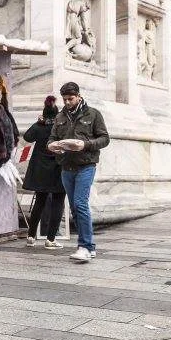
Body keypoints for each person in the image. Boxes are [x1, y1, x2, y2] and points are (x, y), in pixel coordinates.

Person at [48, 82, 110, 263]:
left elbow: (105, 139)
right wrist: (52, 146)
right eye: (64, 99)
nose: (67, 102)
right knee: (75, 207)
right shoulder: (60, 117)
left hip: (86, 166)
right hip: (66, 167)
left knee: (80, 203)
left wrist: (86, 144)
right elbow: (52, 138)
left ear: (78, 96)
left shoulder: (93, 114)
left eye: (70, 99)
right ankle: (89, 247)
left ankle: (84, 246)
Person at [22, 96, 66, 250]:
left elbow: (27, 137)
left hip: (40, 169)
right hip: (58, 169)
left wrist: (38, 122)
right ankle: (51, 239)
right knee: (58, 202)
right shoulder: (61, 127)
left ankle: (31, 236)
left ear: (44, 113)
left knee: (39, 202)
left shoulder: (39, 126)